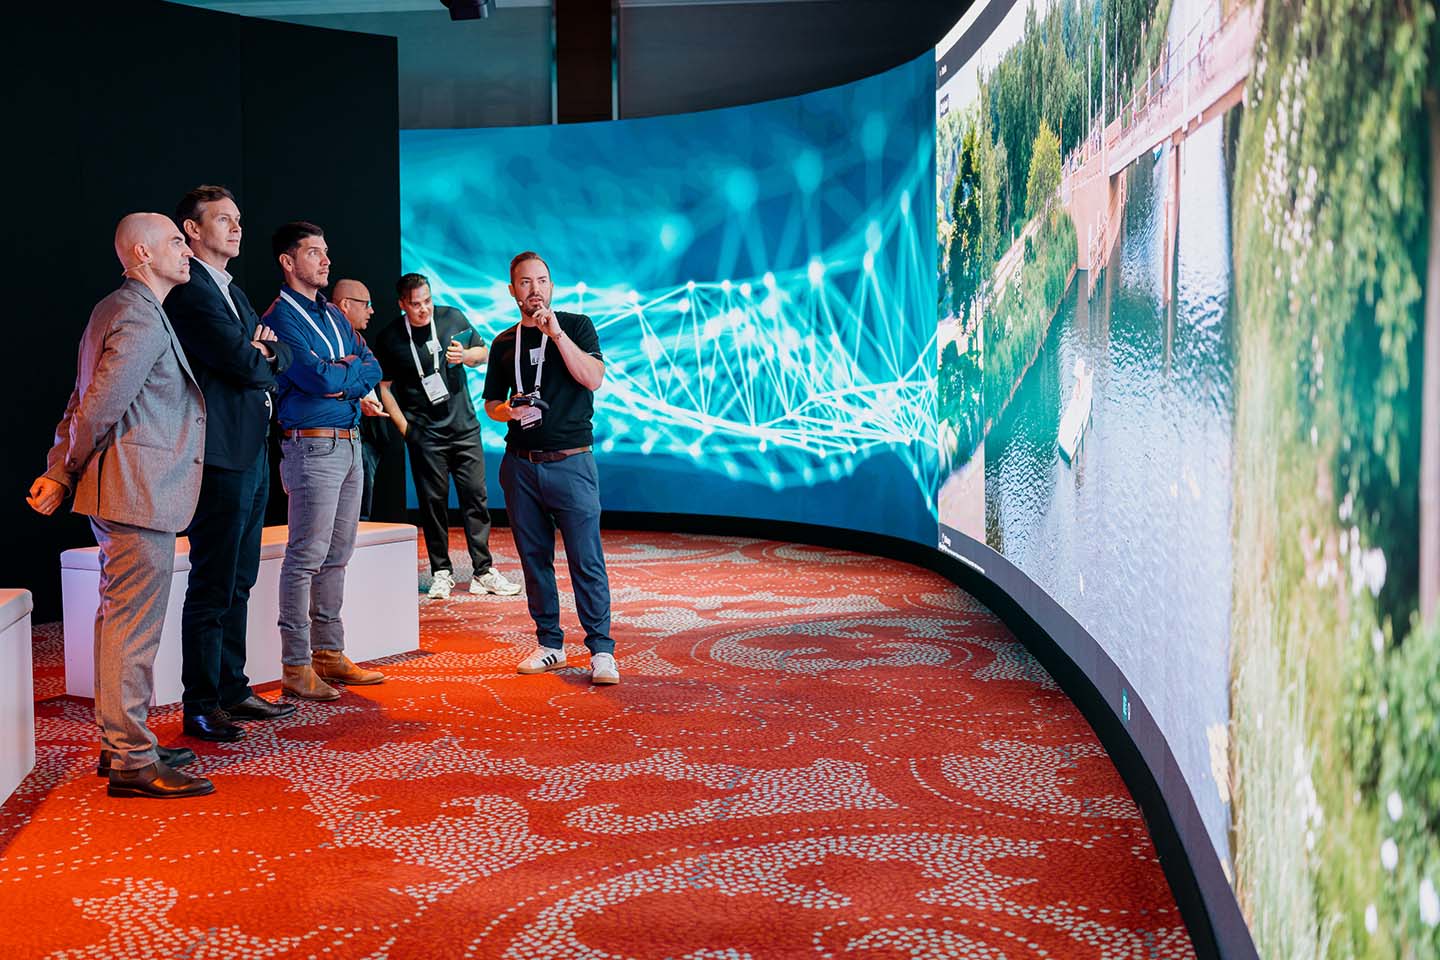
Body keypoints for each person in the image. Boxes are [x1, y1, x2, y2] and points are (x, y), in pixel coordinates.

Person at [28, 213, 213, 798]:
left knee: (120, 623)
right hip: (136, 492)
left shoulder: (115, 308)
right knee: (132, 628)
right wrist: (62, 469)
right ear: (142, 253)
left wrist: (59, 466)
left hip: (126, 490)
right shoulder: (137, 313)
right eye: (177, 242)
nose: (188, 251)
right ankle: (132, 757)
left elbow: (80, 400)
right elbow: (99, 405)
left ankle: (122, 743)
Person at [165, 185, 297, 743]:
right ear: (193, 231)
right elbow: (248, 364)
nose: (237, 227)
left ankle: (232, 688)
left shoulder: (234, 290)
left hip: (251, 451)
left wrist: (265, 352)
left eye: (238, 218)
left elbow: (279, 354)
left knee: (239, 580)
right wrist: (261, 352)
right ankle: (200, 703)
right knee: (213, 582)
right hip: (219, 455)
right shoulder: (191, 291)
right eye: (224, 219)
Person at [261, 221, 386, 701]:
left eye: (326, 251)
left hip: (350, 442)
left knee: (338, 555)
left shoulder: (334, 313)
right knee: (305, 558)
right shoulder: (281, 317)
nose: (326, 260)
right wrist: (342, 375)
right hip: (311, 447)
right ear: (288, 262)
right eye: (314, 252)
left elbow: (371, 364)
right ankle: (296, 664)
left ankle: (329, 653)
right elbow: (315, 379)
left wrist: (343, 376)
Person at [482, 252, 618, 685]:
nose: (535, 289)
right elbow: (491, 403)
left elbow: (593, 378)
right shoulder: (504, 342)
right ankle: (550, 645)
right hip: (520, 466)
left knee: (586, 559)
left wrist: (555, 334)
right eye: (525, 282)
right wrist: (507, 410)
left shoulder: (576, 326)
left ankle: (601, 650)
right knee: (534, 559)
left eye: (542, 280)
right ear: (513, 290)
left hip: (571, 461)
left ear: (552, 286)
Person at [376, 273, 521, 601]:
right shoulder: (391, 338)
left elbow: (483, 352)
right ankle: (441, 571)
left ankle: (483, 571)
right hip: (426, 435)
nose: (424, 309)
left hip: (464, 429)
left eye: (427, 301)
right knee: (433, 505)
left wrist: (466, 357)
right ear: (402, 305)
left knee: (476, 499)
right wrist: (406, 429)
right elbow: (384, 388)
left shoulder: (452, 317)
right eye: (416, 304)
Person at [333, 279, 387, 520]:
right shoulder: (328, 339)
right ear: (346, 304)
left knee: (359, 512)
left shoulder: (356, 339)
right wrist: (355, 398)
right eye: (367, 304)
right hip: (334, 438)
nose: (371, 311)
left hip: (365, 438)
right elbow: (329, 382)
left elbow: (374, 370)